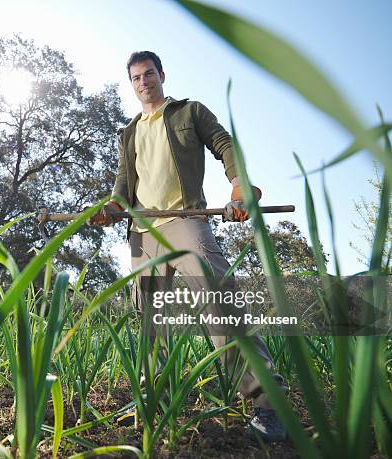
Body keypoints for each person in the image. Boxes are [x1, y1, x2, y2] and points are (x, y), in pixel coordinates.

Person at [90, 51, 288, 442]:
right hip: (143, 232)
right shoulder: (128, 133)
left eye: (149, 74)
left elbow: (222, 142)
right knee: (150, 322)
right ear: (131, 84)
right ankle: (157, 402)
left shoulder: (188, 112)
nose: (143, 82)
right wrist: (111, 209)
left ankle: (268, 403)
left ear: (162, 75)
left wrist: (238, 184)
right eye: (136, 78)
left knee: (220, 304)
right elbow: (122, 186)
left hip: (185, 221)